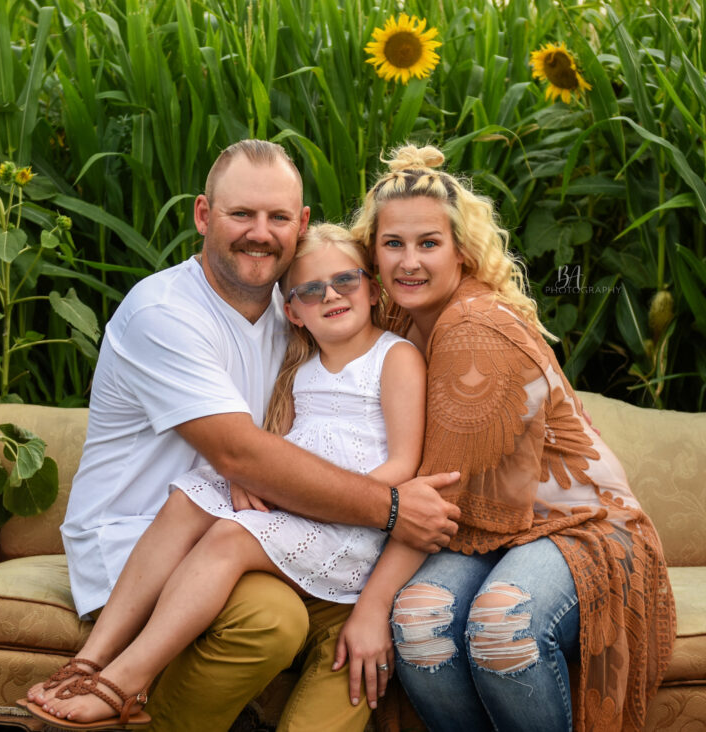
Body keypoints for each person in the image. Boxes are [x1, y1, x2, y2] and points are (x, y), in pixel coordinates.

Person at [27, 140, 460, 732]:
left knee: (312, 619)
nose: (261, 232)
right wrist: (390, 507)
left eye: (279, 217)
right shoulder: (165, 312)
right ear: (204, 215)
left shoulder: (307, 337)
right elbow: (239, 454)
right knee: (269, 615)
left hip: (269, 527)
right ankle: (106, 677)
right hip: (142, 544)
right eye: (242, 214)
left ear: (300, 223)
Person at [351, 145, 676, 732]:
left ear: (462, 251)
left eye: (429, 243)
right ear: (372, 251)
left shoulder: (473, 327)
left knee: (503, 623)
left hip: (582, 526)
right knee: (422, 621)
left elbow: (439, 498)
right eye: (393, 243)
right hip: (490, 530)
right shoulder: (402, 319)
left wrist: (370, 608)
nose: (409, 262)